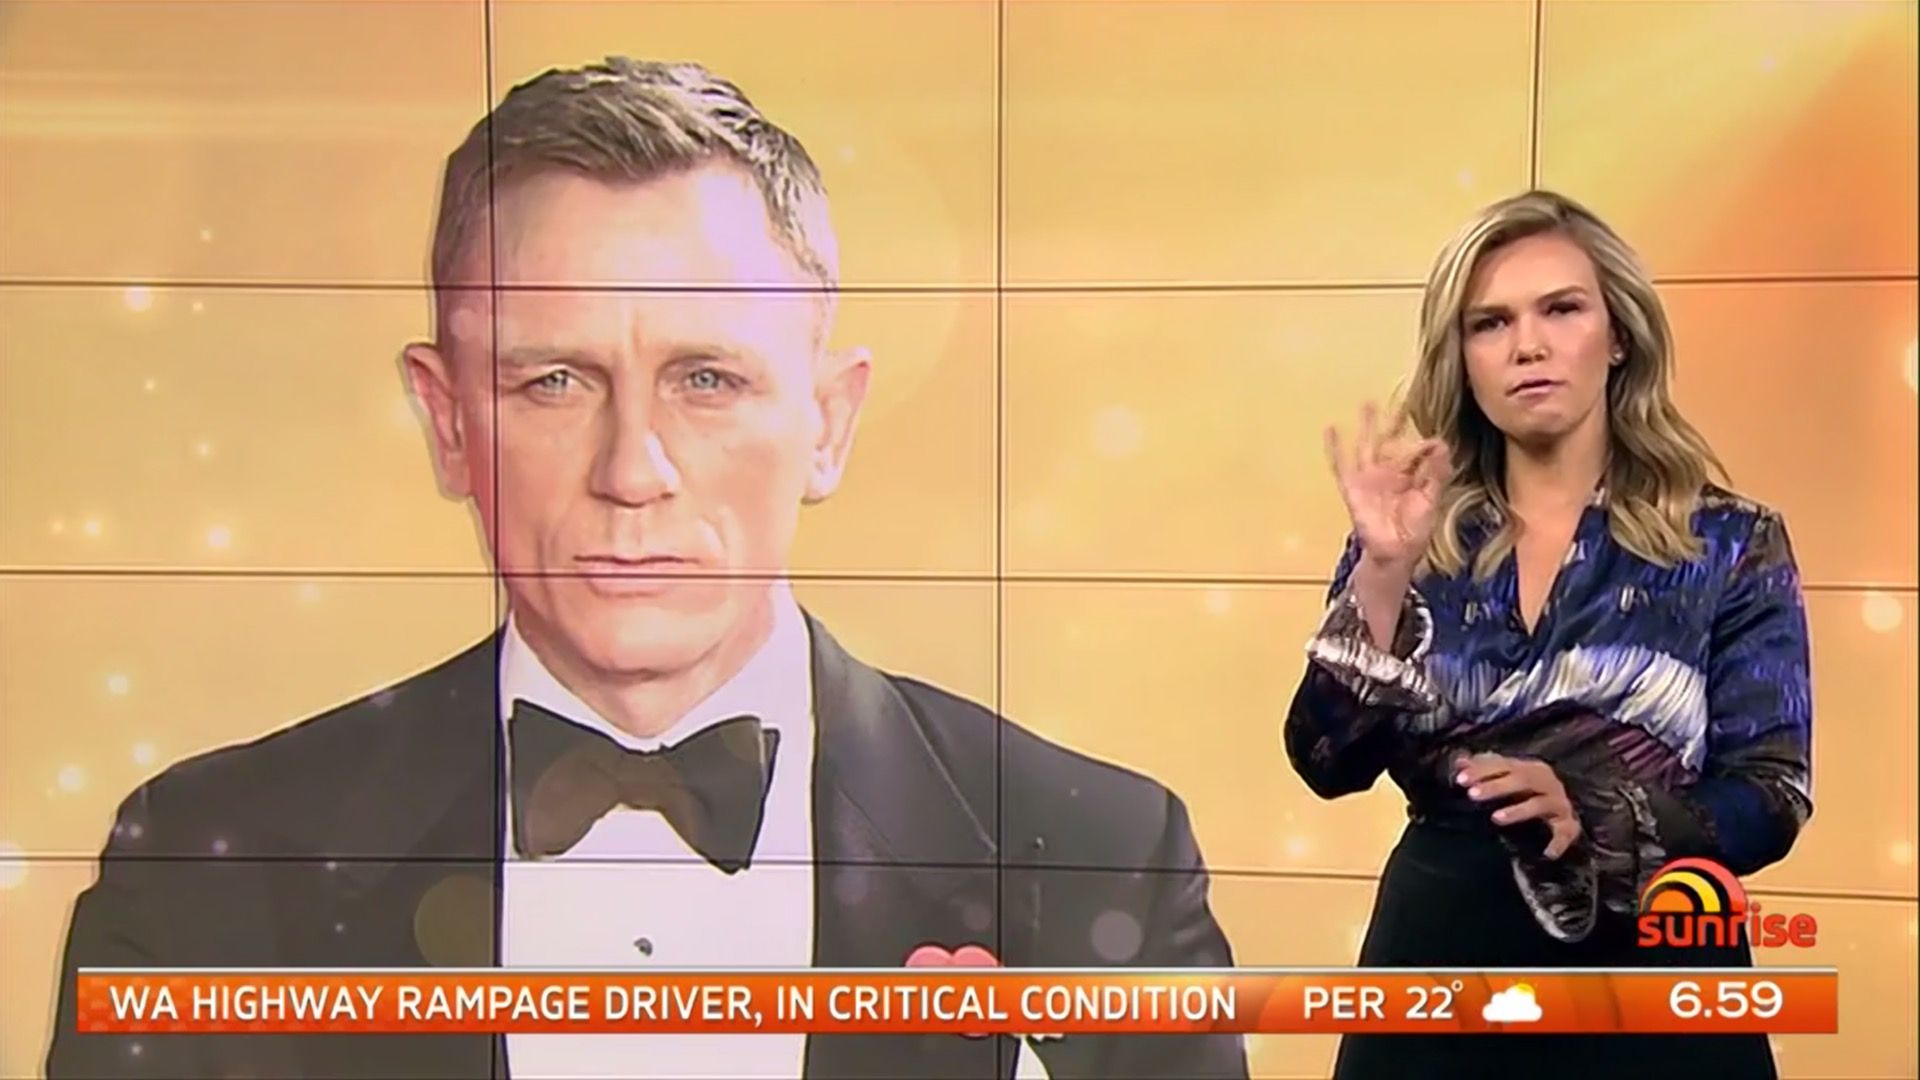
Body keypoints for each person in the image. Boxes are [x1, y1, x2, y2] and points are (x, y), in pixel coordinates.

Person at [47, 57, 1246, 1080]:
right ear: (449, 421)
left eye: (706, 380)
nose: (634, 471)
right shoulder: (204, 870)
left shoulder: (1095, 858)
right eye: (553, 382)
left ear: (828, 424)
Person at [1286, 189, 1811, 1079]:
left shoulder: (1729, 541)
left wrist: (1594, 811)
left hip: (1654, 975)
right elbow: (1325, 763)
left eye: (1561, 309)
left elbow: (1772, 794)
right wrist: (1381, 572)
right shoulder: (1415, 535)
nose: (1527, 345)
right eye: (1490, 323)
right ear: (1463, 358)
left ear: (1618, 336)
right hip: (1437, 964)